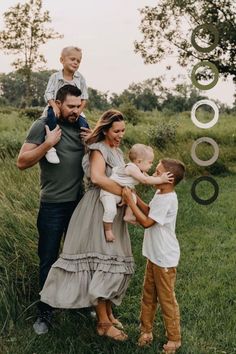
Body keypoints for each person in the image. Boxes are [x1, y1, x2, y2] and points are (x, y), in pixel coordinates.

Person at [40, 109, 134, 341]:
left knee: (112, 259)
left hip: (114, 212)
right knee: (101, 260)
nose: (121, 134)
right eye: (116, 131)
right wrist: (126, 193)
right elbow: (97, 178)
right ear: (105, 129)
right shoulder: (98, 149)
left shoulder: (117, 150)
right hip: (97, 209)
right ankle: (102, 323)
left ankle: (109, 314)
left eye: (123, 130)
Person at [17, 85, 91, 335]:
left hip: (79, 203)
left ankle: (79, 304)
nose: (75, 110)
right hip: (52, 206)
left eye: (78, 105)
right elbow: (21, 162)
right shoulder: (43, 126)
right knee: (48, 260)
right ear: (57, 104)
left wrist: (88, 145)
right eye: (70, 106)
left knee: (78, 257)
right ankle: (45, 313)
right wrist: (48, 144)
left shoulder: (82, 127)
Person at [122, 158, 185, 353]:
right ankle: (146, 331)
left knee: (166, 299)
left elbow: (148, 222)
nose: (152, 176)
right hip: (153, 255)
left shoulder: (169, 198)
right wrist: (136, 197)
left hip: (164, 258)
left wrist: (130, 204)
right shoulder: (160, 192)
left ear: (169, 179)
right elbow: (150, 210)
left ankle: (174, 338)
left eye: (157, 173)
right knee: (148, 296)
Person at [100, 143, 174, 242]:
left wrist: (158, 179)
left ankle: (128, 216)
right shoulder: (131, 168)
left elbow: (149, 178)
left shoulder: (140, 170)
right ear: (139, 161)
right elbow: (145, 180)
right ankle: (108, 230)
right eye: (150, 162)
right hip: (109, 193)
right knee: (111, 210)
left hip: (121, 193)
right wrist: (161, 179)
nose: (151, 165)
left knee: (133, 197)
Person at [44, 46, 89, 164]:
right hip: (55, 105)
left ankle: (88, 146)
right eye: (72, 59)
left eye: (78, 61)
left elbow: (84, 97)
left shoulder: (80, 78)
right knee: (50, 117)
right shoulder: (55, 77)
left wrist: (79, 110)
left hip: (75, 108)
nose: (75, 62)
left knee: (84, 123)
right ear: (62, 60)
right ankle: (50, 147)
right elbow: (48, 93)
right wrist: (54, 106)